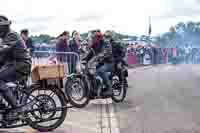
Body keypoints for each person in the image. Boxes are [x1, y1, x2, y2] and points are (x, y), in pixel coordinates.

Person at [0, 15, 31, 109]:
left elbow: (2, 50)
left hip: (21, 65)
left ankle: (16, 108)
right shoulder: (6, 37)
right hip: (14, 64)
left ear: (3, 27)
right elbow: (3, 57)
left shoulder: (11, 35)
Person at [82, 30, 113, 96]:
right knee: (90, 72)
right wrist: (84, 59)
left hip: (109, 63)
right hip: (101, 63)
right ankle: (93, 91)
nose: (91, 39)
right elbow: (90, 53)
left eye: (92, 38)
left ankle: (109, 89)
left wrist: (96, 57)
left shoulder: (105, 42)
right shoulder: (94, 44)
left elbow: (107, 52)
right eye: (91, 38)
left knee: (100, 70)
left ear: (97, 37)